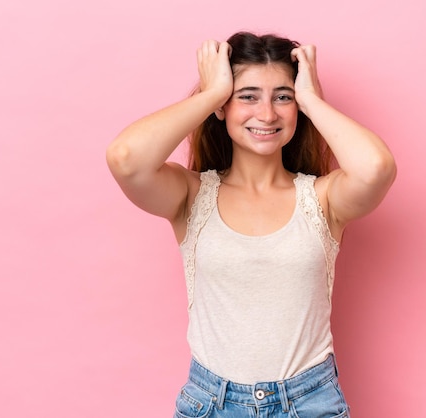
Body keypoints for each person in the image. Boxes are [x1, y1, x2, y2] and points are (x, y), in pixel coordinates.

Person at [106, 31, 396, 417]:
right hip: (212, 404)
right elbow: (126, 158)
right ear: (224, 105)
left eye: (282, 96)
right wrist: (211, 94)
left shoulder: (324, 199)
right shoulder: (191, 197)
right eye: (247, 96)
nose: (267, 114)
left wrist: (311, 99)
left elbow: (376, 168)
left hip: (310, 403)